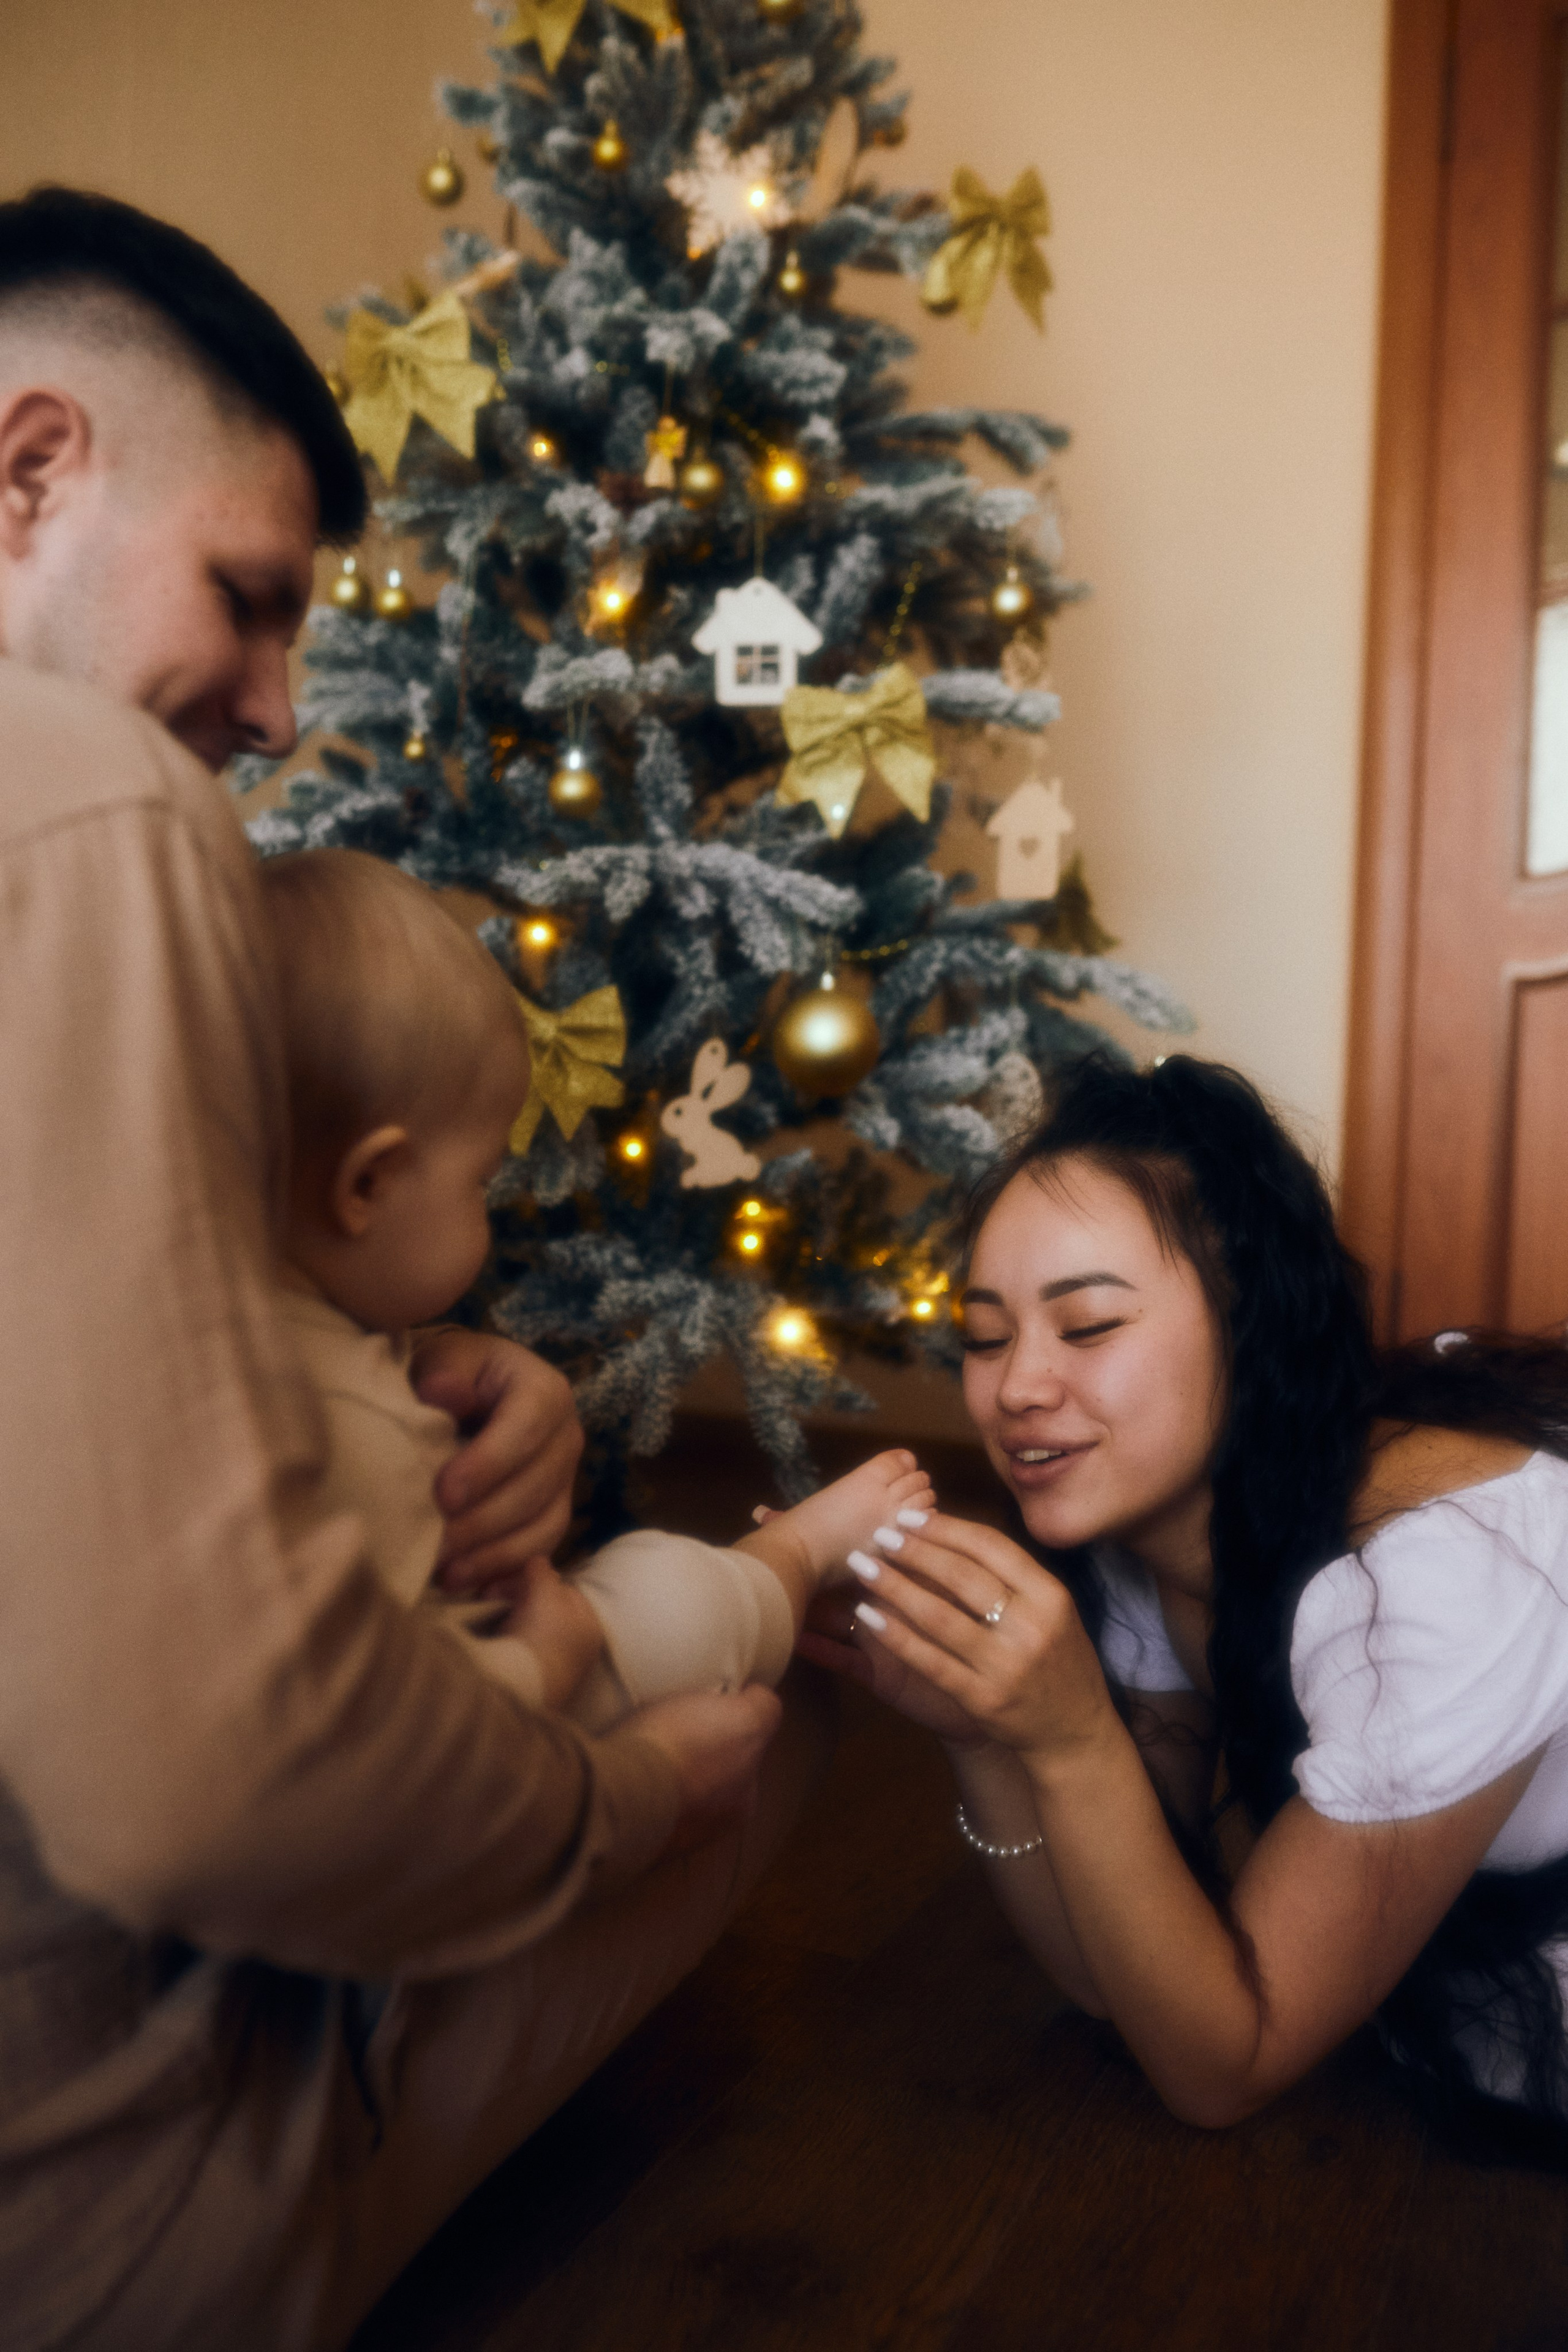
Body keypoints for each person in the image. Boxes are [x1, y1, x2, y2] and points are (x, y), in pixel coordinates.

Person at [0, 184, 827, 2351]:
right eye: (248, 600)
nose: (279, 715)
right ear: (29, 473)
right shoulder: (81, 802)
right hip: (114, 2227)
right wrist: (610, 1789)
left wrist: (438, 1357)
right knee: (767, 1749)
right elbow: (212, 1777)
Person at [804, 1050, 1568, 2162]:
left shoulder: (1439, 1585)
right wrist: (982, 1737)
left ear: (1253, 1327)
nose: (1015, 1387)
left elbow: (1224, 2069)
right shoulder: (1144, 1542)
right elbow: (1123, 1977)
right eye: (983, 1334)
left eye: (1089, 1327)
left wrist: (1070, 1740)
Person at [260, 843, 934, 1726]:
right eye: (478, 1182)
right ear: (368, 1187)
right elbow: (375, 1724)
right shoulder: (349, 1429)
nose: (492, 1212)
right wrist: (538, 1672)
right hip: (477, 1745)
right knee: (666, 1595)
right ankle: (795, 1557)